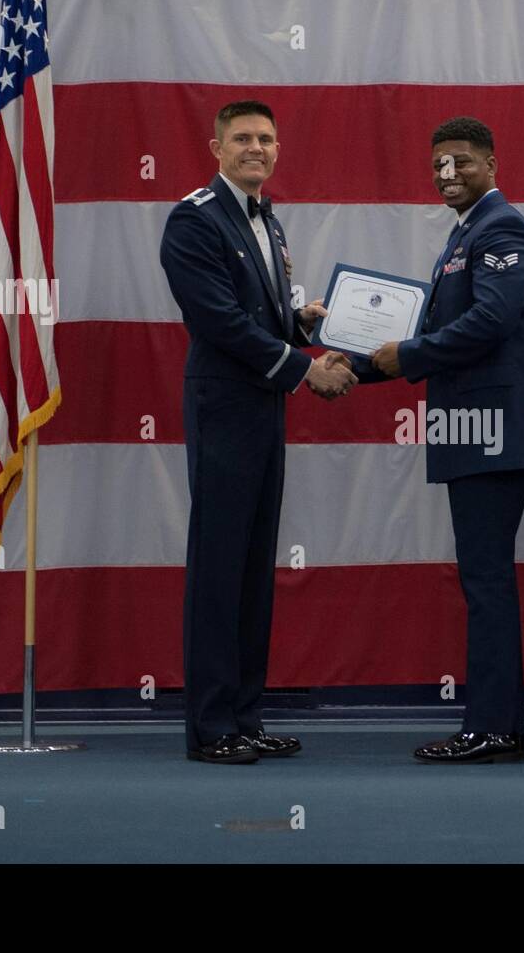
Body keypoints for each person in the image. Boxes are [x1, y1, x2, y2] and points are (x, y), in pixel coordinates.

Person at [159, 100, 356, 764]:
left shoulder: (266, 218)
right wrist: (304, 370)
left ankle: (245, 716)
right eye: (242, 137)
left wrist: (301, 324)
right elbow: (218, 320)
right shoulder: (194, 218)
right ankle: (211, 727)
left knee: (250, 571)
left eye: (266, 139)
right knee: (220, 570)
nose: (256, 148)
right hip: (224, 407)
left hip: (263, 407)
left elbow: (259, 315)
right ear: (216, 147)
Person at [370, 116, 524, 764]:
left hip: (494, 426)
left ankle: (492, 728)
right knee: (485, 577)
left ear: (491, 163)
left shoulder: (501, 227)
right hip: (473, 426)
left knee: (486, 580)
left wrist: (404, 356)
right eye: (438, 164)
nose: (447, 173)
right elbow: (440, 330)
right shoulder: (466, 233)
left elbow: (491, 319)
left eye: (460, 161)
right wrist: (357, 360)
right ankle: (498, 725)